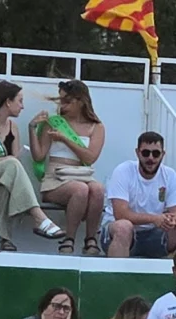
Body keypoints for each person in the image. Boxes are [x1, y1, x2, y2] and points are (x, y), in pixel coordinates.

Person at [0, 82, 67, 252]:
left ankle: (5, 239)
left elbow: (14, 162)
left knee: (8, 182)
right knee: (11, 165)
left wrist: (31, 128)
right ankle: (39, 217)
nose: (22, 106)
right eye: (20, 101)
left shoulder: (13, 128)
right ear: (7, 102)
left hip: (3, 180)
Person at [27, 80, 108, 255]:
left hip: (82, 173)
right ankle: (69, 239)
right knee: (80, 190)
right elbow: (39, 156)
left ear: (80, 101)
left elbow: (90, 157)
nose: (62, 105)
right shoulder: (54, 122)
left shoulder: (96, 127)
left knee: (98, 189)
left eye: (67, 101)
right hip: (56, 177)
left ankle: (91, 239)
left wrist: (65, 139)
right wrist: (32, 128)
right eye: (61, 100)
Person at [105, 131, 176, 259]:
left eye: (155, 154)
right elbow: (120, 214)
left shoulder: (169, 175)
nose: (150, 158)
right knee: (123, 227)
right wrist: (155, 219)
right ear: (137, 152)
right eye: (145, 153)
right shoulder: (123, 171)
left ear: (163, 155)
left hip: (155, 234)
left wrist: (171, 220)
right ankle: (116, 277)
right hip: (118, 233)